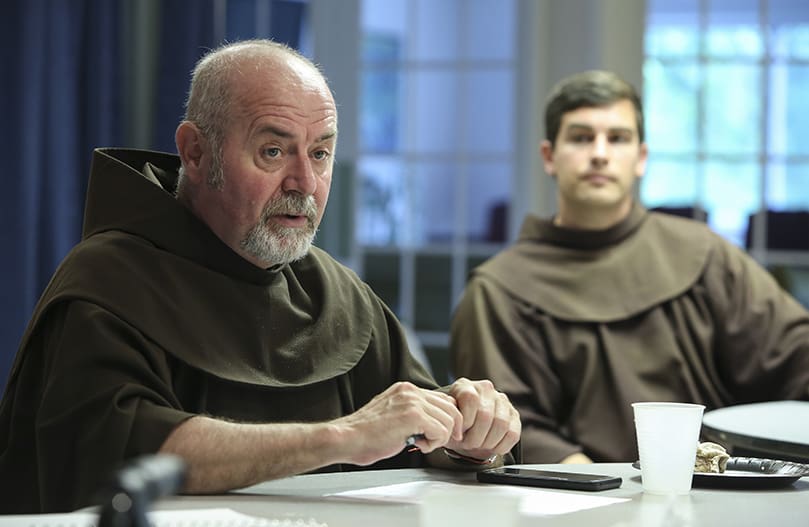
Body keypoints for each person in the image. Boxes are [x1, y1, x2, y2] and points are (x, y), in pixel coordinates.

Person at [0, 39, 521, 514]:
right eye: (273, 151)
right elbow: (120, 452)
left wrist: (470, 434)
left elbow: (417, 439)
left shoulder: (337, 295)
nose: (305, 183)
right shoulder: (107, 281)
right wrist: (340, 437)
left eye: (320, 153)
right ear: (196, 152)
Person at [450, 70, 809, 465]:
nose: (600, 153)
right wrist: (601, 490)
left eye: (618, 138)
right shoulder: (498, 290)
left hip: (718, 483)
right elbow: (505, 427)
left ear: (641, 158)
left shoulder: (705, 255)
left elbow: (793, 356)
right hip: (575, 494)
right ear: (549, 157)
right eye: (581, 138)